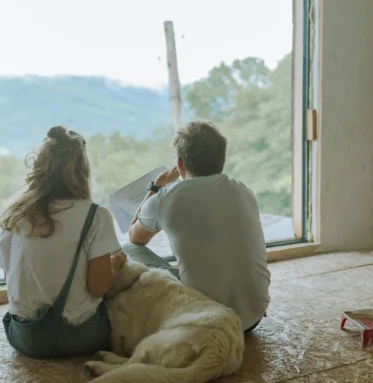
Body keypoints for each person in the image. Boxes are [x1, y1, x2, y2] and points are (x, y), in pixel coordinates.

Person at [124, 120, 270, 333]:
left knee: (127, 250)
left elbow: (135, 237)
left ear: (180, 163)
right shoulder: (243, 190)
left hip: (207, 321)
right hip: (253, 317)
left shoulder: (165, 198)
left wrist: (157, 186)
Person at [0, 126, 125, 358]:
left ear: (39, 168)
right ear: (83, 171)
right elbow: (99, 287)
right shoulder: (95, 215)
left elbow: (14, 280)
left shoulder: (14, 216)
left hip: (24, 337)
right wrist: (116, 262)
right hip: (79, 338)